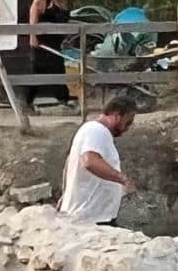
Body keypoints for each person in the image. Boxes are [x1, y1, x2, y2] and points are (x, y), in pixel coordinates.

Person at [58, 92, 137, 225]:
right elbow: (90, 161)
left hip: (94, 215)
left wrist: (65, 194)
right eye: (128, 122)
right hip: (90, 217)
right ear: (117, 115)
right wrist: (122, 179)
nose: (128, 128)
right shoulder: (96, 131)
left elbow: (68, 165)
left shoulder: (95, 131)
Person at [23, 0, 76, 116]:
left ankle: (63, 100)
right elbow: (33, 16)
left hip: (56, 42)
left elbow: (63, 22)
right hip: (42, 42)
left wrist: (65, 38)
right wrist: (33, 37)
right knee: (37, 72)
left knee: (59, 69)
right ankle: (27, 103)